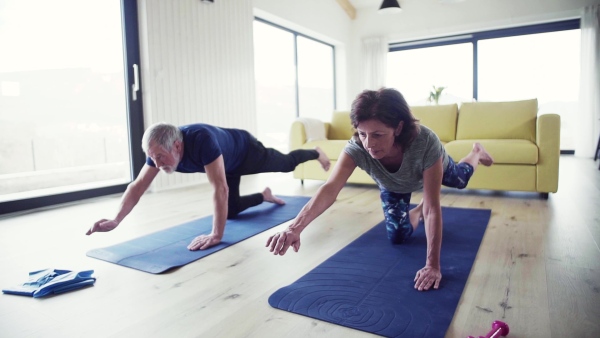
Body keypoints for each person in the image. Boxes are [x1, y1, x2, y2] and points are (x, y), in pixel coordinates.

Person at [266, 88, 494, 291]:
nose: (369, 143)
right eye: (363, 134)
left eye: (377, 135)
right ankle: (416, 211)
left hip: (432, 171)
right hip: (393, 186)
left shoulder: (425, 141)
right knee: (398, 236)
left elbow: (434, 209)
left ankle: (476, 153)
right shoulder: (357, 147)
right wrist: (295, 228)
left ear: (398, 127)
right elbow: (330, 188)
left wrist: (432, 265)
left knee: (461, 180)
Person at [86, 122, 331, 251]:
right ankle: (264, 196)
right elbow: (138, 186)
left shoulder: (201, 140)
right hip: (227, 165)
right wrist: (117, 219)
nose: (157, 164)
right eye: (153, 158)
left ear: (178, 146)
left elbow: (219, 189)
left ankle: (315, 152)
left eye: (161, 157)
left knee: (286, 164)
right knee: (231, 211)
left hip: (245, 150)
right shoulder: (158, 151)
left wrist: (216, 235)